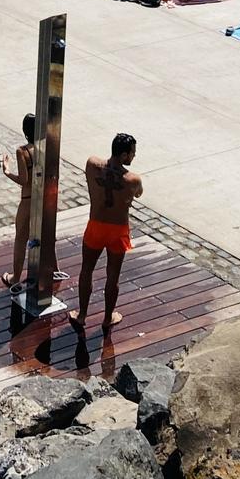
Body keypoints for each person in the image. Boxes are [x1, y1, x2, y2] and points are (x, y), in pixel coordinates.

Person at [73, 135, 141, 333]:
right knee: (113, 275)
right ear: (123, 154)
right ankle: (107, 317)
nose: (134, 156)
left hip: (96, 224)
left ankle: (83, 315)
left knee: (87, 270)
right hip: (118, 230)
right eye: (132, 153)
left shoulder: (92, 165)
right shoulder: (132, 179)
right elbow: (138, 193)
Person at [0, 114, 37, 291]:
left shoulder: (23, 151)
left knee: (21, 238)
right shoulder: (46, 148)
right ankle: (54, 270)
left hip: (28, 199)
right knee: (45, 235)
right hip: (44, 198)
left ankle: (15, 278)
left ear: (24, 131)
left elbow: (24, 180)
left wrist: (7, 171)